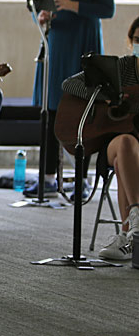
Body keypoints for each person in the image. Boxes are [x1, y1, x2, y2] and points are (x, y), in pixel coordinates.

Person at [28, 0, 115, 198]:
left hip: (83, 45)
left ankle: (81, 179)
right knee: (51, 110)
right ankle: (48, 178)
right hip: (55, 47)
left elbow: (107, 9)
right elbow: (35, 6)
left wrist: (72, 4)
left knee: (82, 111)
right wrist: (39, 17)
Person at [61, 16, 139, 260]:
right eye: (138, 39)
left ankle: (128, 235)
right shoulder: (122, 68)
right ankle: (136, 216)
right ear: (130, 41)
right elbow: (69, 84)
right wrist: (105, 96)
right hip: (115, 142)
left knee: (126, 160)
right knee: (126, 144)